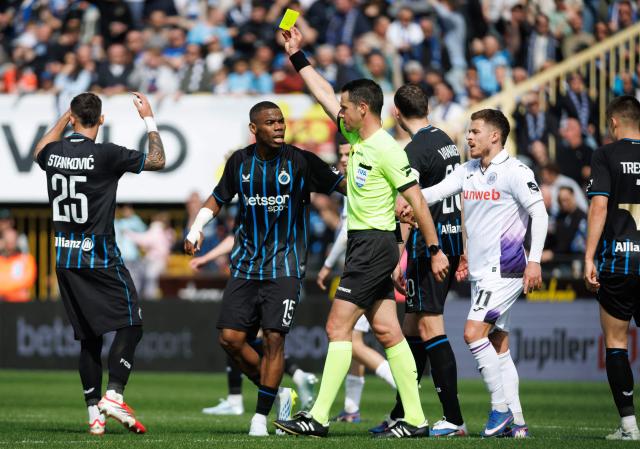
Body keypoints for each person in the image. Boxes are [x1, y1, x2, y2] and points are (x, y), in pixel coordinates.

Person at [274, 26, 449, 439]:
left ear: (364, 111)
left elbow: (418, 200)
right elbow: (323, 94)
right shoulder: (358, 136)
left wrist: (434, 248)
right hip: (367, 244)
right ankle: (417, 420)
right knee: (388, 331)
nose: (340, 111)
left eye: (346, 107)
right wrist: (298, 56)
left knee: (338, 328)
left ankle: (316, 418)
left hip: (373, 244)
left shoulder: (387, 150)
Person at [183, 101, 345, 436]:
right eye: (270, 122)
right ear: (254, 129)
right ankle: (278, 391)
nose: (279, 127)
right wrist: (197, 227)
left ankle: (259, 416)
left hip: (284, 267)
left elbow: (343, 186)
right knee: (230, 340)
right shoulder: (240, 163)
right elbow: (217, 198)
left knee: (274, 339)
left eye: (281, 122)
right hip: (244, 266)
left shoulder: (300, 161)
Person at [33, 91, 166, 435]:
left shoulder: (55, 153)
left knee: (89, 338)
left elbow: (38, 151)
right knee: (132, 322)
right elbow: (157, 160)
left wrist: (64, 118)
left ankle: (94, 413)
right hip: (100, 256)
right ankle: (113, 394)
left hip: (65, 257)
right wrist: (148, 119)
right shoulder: (106, 154)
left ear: (74, 118)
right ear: (102, 120)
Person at [422, 109, 548, 438]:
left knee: (472, 333)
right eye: (468, 132)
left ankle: (500, 409)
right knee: (498, 343)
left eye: (475, 132)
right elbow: (434, 193)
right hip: (481, 272)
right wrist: (405, 196)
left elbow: (540, 214)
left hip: (506, 270)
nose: (469, 137)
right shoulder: (468, 170)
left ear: (495, 136)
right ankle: (517, 424)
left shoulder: (516, 171)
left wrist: (534, 260)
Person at [369, 84, 466, 437]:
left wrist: (398, 257)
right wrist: (463, 245)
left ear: (396, 114)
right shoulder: (446, 140)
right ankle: (402, 412)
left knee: (429, 328)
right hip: (450, 239)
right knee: (411, 329)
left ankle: (454, 418)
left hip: (431, 247)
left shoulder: (414, 150)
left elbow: (407, 208)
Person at [316, 135, 397, 423]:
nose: (341, 159)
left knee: (351, 339)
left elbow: (345, 234)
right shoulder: (350, 186)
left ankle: (402, 387)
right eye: (339, 154)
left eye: (346, 153)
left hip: (364, 269)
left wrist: (326, 265)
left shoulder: (362, 184)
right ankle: (351, 408)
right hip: (362, 267)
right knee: (354, 339)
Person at [191, 236, 319, 414]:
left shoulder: (278, 217)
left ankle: (240, 399)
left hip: (275, 277)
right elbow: (237, 235)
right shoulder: (250, 216)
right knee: (236, 337)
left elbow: (233, 237)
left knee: (264, 339)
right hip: (252, 276)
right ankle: (291, 380)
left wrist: (207, 257)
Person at [584, 95, 640, 441]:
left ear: (614, 123)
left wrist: (588, 256)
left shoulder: (606, 154)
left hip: (620, 260)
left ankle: (629, 427)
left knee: (617, 343)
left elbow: (599, 208)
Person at [0, 228, 36, 302]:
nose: (10, 245)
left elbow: (28, 280)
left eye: (12, 241)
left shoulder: (26, 259)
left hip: (20, 303)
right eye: (7, 241)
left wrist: (4, 289)